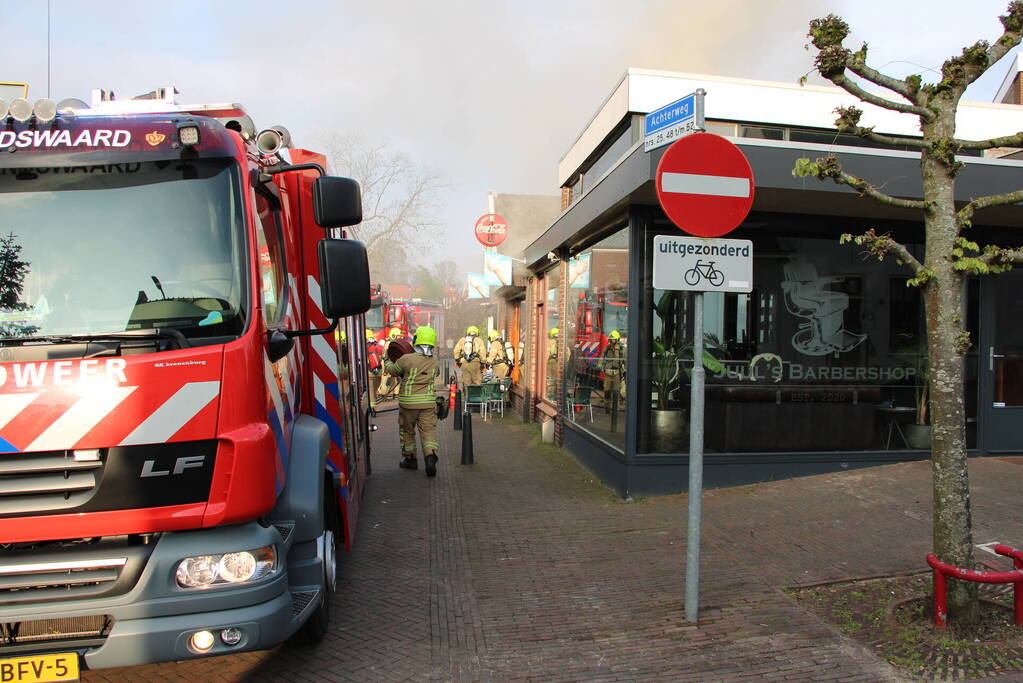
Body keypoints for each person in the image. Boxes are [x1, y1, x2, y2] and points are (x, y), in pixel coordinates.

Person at [384, 325, 440, 476]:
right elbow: (436, 372)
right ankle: (430, 456)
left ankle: (411, 460)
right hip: (428, 404)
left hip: (408, 404)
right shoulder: (434, 361)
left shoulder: (406, 359)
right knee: (428, 431)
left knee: (407, 431)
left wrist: (386, 360)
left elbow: (392, 370)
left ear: (416, 340)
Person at [600, 330, 626, 411]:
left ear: (617, 339)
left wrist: (626, 371)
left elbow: (626, 360)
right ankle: (607, 408)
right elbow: (601, 357)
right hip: (608, 373)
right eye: (610, 339)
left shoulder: (622, 349)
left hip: (617, 373)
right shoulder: (607, 348)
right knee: (607, 391)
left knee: (616, 392)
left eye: (613, 339)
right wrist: (599, 365)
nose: (611, 341)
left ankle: (615, 409)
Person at [454, 325, 486, 389]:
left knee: (466, 382)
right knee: (477, 382)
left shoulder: (462, 340)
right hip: (476, 363)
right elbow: (483, 353)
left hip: (464, 363)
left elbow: (456, 351)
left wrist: (458, 361)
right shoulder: (479, 340)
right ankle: (476, 397)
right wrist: (483, 363)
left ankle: (467, 397)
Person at [378, 327, 403, 401]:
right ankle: (382, 395)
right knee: (385, 381)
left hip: (393, 363)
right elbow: (385, 356)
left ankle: (396, 394)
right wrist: (385, 368)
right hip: (387, 363)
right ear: (393, 335)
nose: (400, 337)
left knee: (396, 380)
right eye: (398, 335)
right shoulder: (388, 343)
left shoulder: (394, 343)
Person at [366, 329, 381, 406]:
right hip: (379, 372)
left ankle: (372, 408)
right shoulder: (379, 346)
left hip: (369, 372)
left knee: (371, 391)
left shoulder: (363, 348)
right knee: (375, 390)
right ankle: (374, 403)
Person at [546, 327, 559, 400]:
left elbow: (545, 356)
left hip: (550, 367)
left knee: (550, 383)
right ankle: (553, 397)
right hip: (557, 366)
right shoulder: (561, 343)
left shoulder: (548, 343)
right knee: (554, 383)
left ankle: (550, 397)